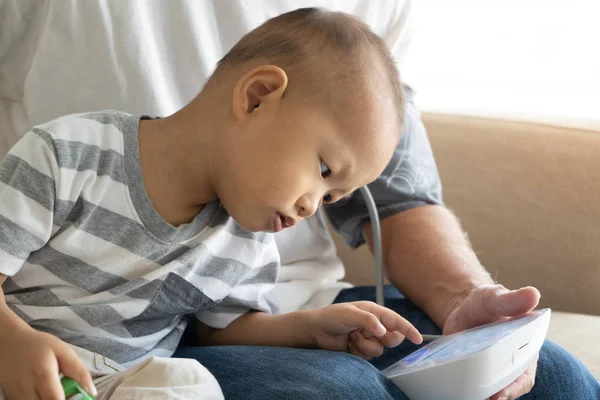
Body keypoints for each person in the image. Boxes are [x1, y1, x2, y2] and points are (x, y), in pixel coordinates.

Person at [0, 1, 597, 399]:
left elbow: (216, 328)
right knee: (348, 393)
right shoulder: (70, 155)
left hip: (134, 368)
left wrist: (307, 328)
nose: (316, 208)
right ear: (257, 96)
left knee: (555, 380)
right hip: (28, 341)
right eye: (322, 171)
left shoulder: (247, 241)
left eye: (333, 194)